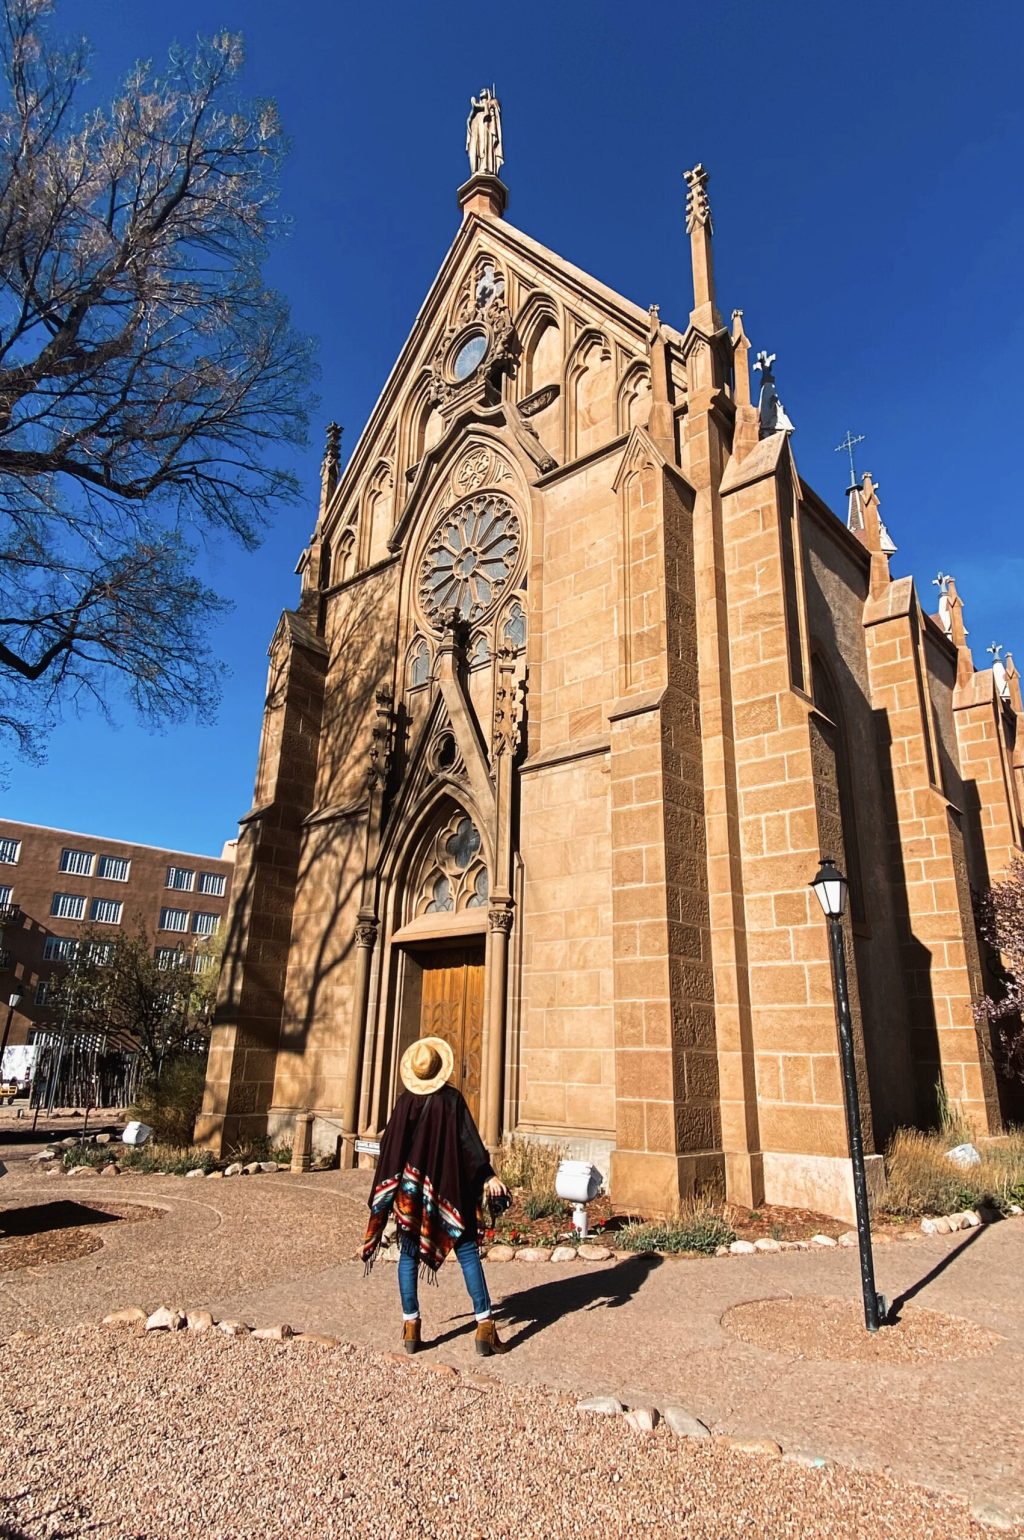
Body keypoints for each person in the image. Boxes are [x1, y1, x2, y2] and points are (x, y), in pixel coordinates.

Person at [362, 1035, 510, 1356]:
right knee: (468, 1251)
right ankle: (484, 1327)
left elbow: (389, 1150)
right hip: (448, 1192)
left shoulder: (403, 1103)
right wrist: (487, 1175)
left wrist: (390, 1193)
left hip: (410, 1195)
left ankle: (411, 1326)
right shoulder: (452, 1101)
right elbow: (470, 1145)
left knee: (408, 1255)